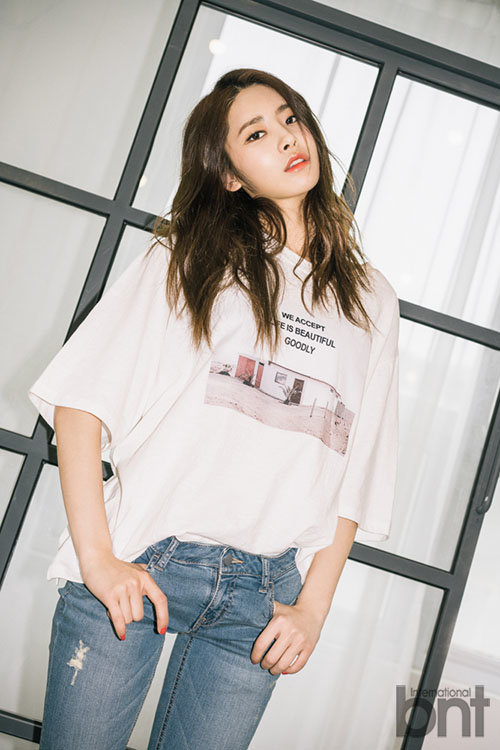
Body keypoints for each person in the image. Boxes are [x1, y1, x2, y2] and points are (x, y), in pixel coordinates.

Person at [28, 68, 400, 750]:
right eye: (256, 134)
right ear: (228, 175)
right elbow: (80, 405)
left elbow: (357, 468)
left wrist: (313, 610)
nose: (286, 137)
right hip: (145, 559)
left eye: (289, 118)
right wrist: (98, 558)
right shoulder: (190, 257)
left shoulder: (370, 299)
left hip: (263, 595)